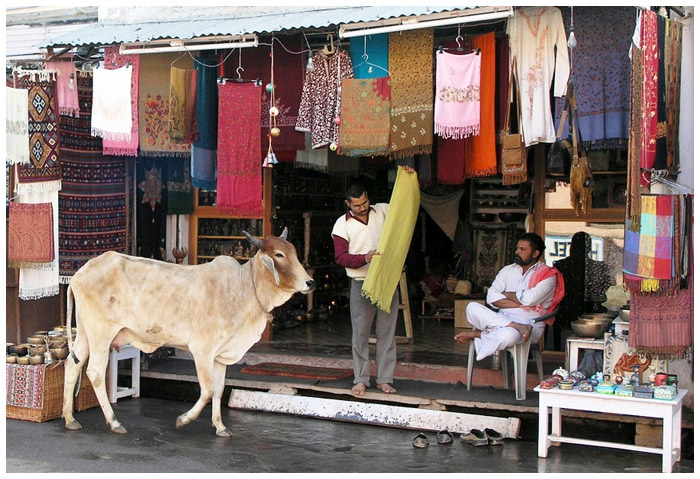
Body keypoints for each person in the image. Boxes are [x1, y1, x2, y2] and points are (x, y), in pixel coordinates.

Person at [331, 167, 415, 396]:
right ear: (347, 203)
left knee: (387, 332)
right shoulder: (341, 225)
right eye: (357, 205)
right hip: (360, 283)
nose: (362, 207)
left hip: (386, 281)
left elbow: (404, 206)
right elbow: (340, 257)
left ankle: (385, 379)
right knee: (360, 333)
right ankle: (361, 379)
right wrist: (364, 258)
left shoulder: (383, 211)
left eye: (365, 202)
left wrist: (407, 178)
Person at [454, 233, 564, 361]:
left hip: (529, 324)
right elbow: (491, 297)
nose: (517, 252)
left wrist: (505, 294)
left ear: (535, 254)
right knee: (472, 307)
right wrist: (521, 304)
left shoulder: (548, 275)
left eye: (522, 249)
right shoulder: (508, 270)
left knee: (508, 336)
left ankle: (478, 334)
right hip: (504, 319)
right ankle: (514, 326)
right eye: (517, 248)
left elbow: (530, 299)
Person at [552, 231, 613, 350]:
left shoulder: (561, 265)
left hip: (568, 310)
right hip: (586, 309)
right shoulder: (598, 267)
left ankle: (556, 351)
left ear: (571, 246)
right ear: (589, 247)